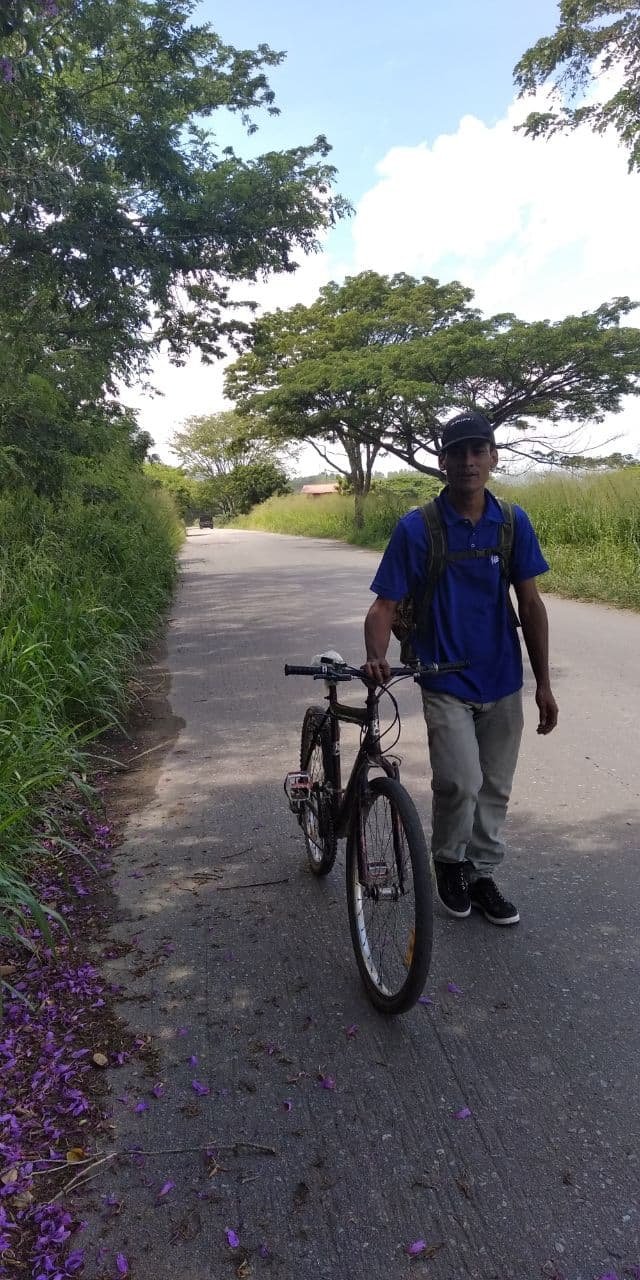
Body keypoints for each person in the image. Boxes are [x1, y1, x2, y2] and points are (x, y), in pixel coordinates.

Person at [362, 410, 558, 926]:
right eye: (459, 453)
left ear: (493, 456)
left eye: (479, 451)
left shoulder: (513, 522)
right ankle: (449, 863)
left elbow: (532, 605)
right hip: (443, 675)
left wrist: (544, 684)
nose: (470, 462)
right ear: (443, 461)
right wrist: (376, 655)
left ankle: (482, 872)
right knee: (461, 781)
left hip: (502, 678)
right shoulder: (418, 527)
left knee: (496, 784)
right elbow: (385, 604)